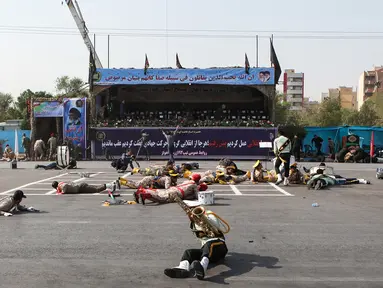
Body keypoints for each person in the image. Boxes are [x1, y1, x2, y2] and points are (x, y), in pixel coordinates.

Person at [164, 201, 229, 280]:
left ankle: (202, 268)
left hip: (219, 245)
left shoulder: (209, 214)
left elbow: (216, 225)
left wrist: (202, 218)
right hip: (207, 251)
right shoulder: (194, 223)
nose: (191, 213)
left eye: (192, 209)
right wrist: (194, 221)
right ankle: (183, 269)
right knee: (189, 252)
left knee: (209, 244)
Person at [136, 176, 207, 204]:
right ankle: (146, 195)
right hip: (177, 193)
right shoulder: (194, 186)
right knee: (162, 199)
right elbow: (198, 197)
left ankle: (143, 190)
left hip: (173, 188)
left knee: (159, 192)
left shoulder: (187, 181)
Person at [52, 180, 117, 194]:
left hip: (80, 187)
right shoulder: (60, 183)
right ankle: (111, 184)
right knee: (96, 188)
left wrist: (62, 192)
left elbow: (65, 186)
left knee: (96, 189)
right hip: (80, 187)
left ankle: (110, 185)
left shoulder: (60, 185)